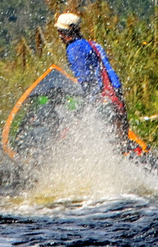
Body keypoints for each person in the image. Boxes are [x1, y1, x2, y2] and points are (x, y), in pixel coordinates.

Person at [54, 12, 132, 147]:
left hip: (103, 103)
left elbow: (86, 82)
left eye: (59, 32)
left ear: (64, 33)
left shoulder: (73, 49)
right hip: (116, 99)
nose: (59, 37)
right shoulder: (93, 44)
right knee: (121, 144)